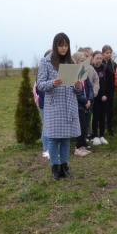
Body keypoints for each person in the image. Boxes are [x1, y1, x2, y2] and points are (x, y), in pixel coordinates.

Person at [36, 33, 83, 180]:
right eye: (61, 45)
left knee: (65, 138)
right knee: (53, 138)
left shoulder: (72, 62)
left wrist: (78, 86)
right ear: (55, 46)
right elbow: (40, 84)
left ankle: (64, 166)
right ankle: (54, 168)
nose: (64, 48)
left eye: (66, 45)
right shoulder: (46, 62)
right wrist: (52, 83)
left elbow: (78, 89)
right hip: (54, 106)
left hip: (69, 104)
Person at [72, 52, 94, 156]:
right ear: (75, 62)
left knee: (84, 125)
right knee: (80, 126)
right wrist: (85, 101)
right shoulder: (72, 74)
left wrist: (90, 99)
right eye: (81, 60)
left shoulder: (83, 72)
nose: (83, 62)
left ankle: (82, 146)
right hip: (78, 105)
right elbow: (76, 91)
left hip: (86, 104)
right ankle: (78, 147)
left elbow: (89, 86)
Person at [34, 50, 51, 158]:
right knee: (46, 126)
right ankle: (46, 148)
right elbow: (40, 89)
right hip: (45, 104)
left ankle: (52, 148)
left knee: (52, 127)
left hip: (53, 104)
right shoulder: (42, 72)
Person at [90, 50, 109, 146]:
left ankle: (102, 135)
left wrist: (105, 94)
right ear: (93, 59)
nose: (99, 60)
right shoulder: (91, 68)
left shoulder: (105, 68)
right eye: (97, 58)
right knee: (95, 116)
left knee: (102, 116)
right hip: (94, 96)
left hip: (103, 96)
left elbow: (107, 83)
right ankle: (95, 135)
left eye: (101, 58)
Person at [101, 45, 117, 136]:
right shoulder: (100, 63)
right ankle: (101, 128)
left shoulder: (113, 64)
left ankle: (110, 129)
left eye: (110, 53)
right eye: (107, 53)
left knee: (110, 110)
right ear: (103, 53)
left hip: (111, 90)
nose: (109, 54)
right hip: (102, 89)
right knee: (102, 110)